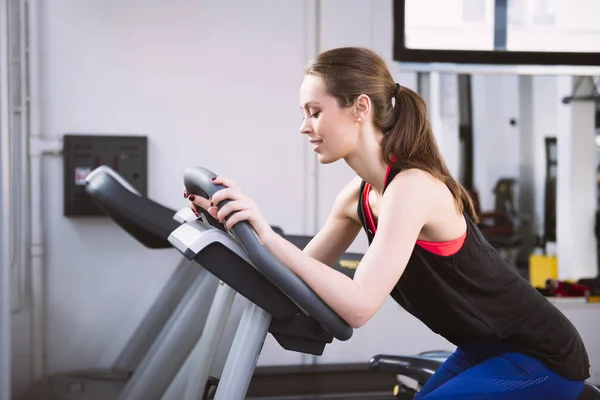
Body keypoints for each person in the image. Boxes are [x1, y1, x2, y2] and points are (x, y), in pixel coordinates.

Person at [185, 47, 590, 399]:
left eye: (315, 112)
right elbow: (293, 279)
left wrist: (267, 235)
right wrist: (229, 225)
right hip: (482, 348)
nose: (304, 126)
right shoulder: (357, 196)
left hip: (541, 357)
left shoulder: (412, 187)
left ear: (360, 107)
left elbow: (359, 306)